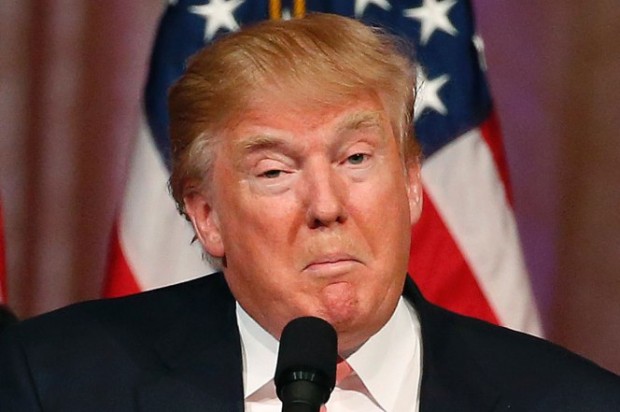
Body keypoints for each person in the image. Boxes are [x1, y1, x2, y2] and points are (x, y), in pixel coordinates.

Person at [1, 13, 619, 412]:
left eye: (355, 158)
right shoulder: (54, 383)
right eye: (274, 172)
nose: (326, 206)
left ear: (409, 183)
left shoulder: (573, 402)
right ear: (206, 215)